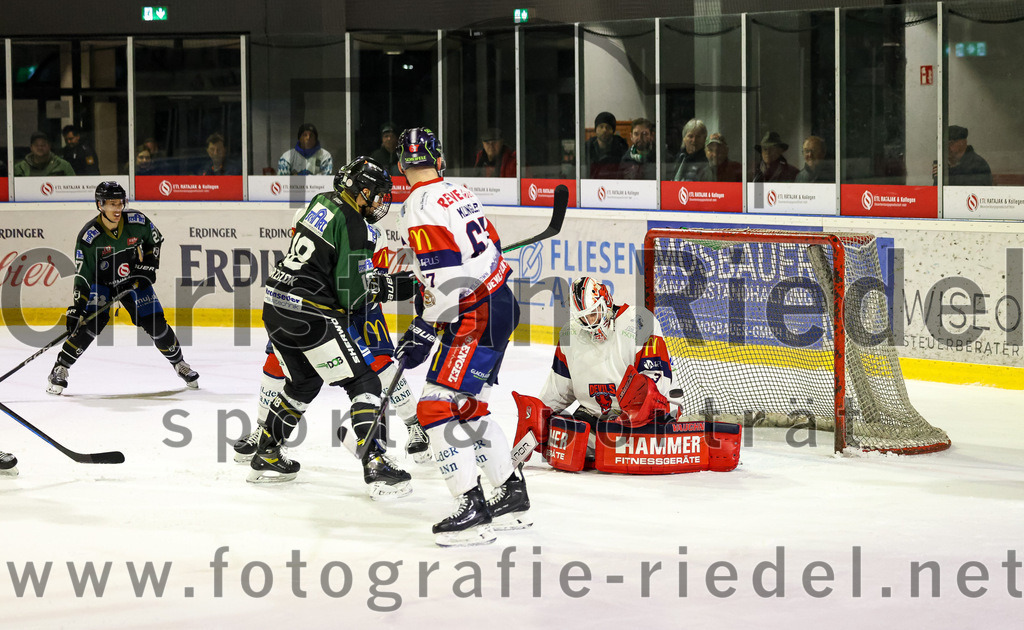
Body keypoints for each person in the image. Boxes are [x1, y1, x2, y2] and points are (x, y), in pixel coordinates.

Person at [250, 156, 415, 499]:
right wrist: (391, 287)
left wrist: (376, 282)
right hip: (310, 313)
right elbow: (351, 297)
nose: (380, 202)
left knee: (303, 382)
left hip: (275, 303)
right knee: (363, 380)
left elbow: (331, 267)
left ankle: (267, 451)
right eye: (376, 194)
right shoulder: (356, 224)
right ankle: (375, 460)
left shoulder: (321, 200)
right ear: (360, 190)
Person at [395, 127, 530, 546]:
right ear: (439, 161)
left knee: (434, 407)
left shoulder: (417, 204)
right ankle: (510, 493)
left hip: (474, 311)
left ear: (400, 166)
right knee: (468, 406)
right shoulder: (458, 191)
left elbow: (446, 275)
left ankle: (471, 507)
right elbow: (491, 243)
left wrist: (424, 325)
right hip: (501, 301)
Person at [512, 277, 742, 475]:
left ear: (606, 301)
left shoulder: (639, 320)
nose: (590, 323)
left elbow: (654, 388)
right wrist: (539, 420)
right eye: (584, 318)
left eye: (594, 313)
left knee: (644, 411)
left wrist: (629, 417)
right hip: (596, 421)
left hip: (644, 420)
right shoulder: (570, 334)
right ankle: (603, 442)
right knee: (568, 430)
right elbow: (558, 391)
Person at [233, 245, 430, 468]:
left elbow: (373, 277)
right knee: (277, 363)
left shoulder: (370, 226)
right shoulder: (317, 216)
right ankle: (264, 431)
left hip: (360, 302)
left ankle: (415, 426)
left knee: (379, 365)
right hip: (314, 303)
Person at [46, 181, 200, 395]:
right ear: (100, 205)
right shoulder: (89, 237)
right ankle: (60, 368)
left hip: (132, 280)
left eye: (120, 203)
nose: (118, 209)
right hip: (102, 284)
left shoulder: (137, 221)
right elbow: (83, 276)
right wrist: (77, 308)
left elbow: (154, 241)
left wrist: (148, 266)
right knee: (90, 325)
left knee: (155, 323)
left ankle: (180, 364)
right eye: (112, 204)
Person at [585, 111, 627, 179]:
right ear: (595, 129)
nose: (604, 130)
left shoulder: (621, 148)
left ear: (613, 131)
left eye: (608, 127)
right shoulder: (587, 149)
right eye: (601, 127)